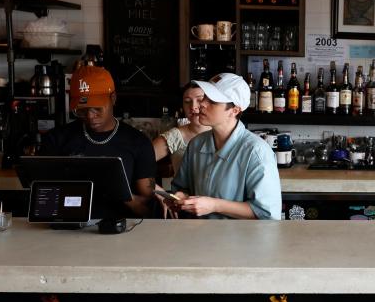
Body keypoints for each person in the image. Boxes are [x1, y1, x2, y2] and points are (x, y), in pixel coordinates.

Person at [40, 65, 156, 218]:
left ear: (113, 98)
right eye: (82, 110)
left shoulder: (138, 142)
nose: (90, 116)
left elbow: (148, 209)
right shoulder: (56, 139)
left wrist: (121, 194)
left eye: (97, 109)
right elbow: (43, 200)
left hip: (120, 231)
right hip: (67, 227)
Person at [161, 73, 281, 219]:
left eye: (212, 101)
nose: (202, 104)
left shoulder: (257, 152)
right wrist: (180, 197)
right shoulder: (196, 144)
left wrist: (214, 205)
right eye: (205, 97)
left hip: (240, 240)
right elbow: (183, 187)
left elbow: (267, 214)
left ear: (234, 110)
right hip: (199, 237)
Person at [152, 82, 210, 175]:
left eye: (199, 100)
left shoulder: (221, 132)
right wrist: (153, 187)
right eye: (187, 101)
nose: (193, 107)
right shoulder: (175, 136)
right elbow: (139, 162)